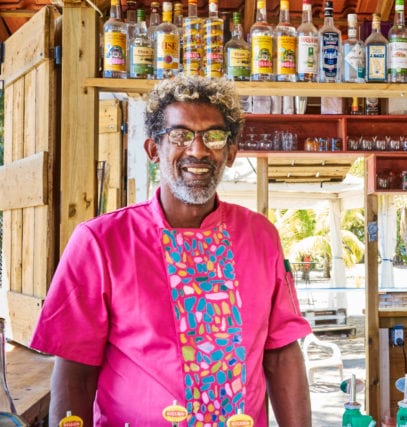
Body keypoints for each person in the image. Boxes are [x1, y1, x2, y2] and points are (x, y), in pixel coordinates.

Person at [30, 75, 312, 427]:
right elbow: (75, 371)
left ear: (231, 152)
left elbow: (282, 353)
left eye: (214, 136)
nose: (197, 150)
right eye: (179, 135)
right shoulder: (100, 242)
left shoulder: (261, 236)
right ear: (153, 150)